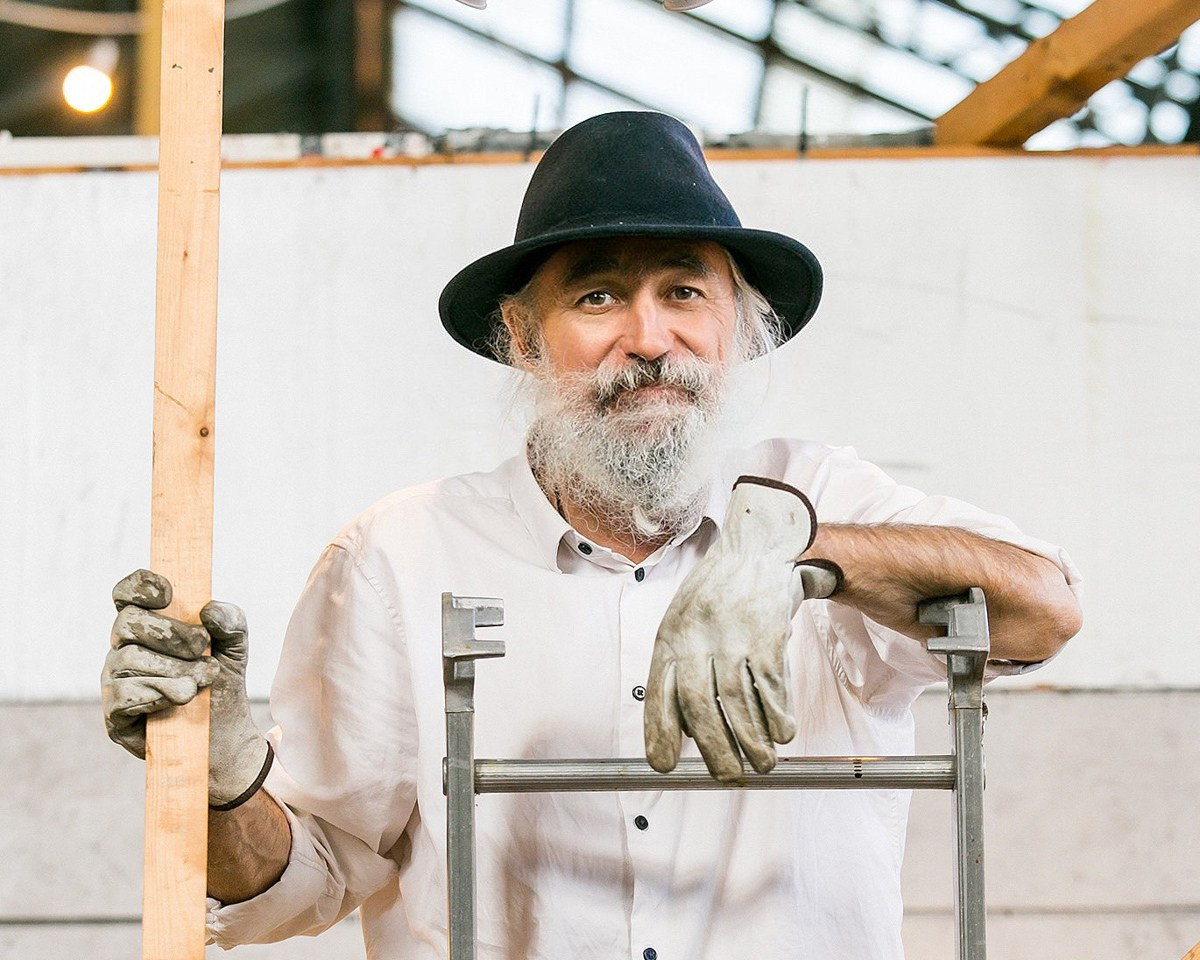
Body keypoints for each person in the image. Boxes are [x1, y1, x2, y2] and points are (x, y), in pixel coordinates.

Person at [102, 111, 1082, 959]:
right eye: (599, 295)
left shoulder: (819, 493)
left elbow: (1045, 607)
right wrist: (226, 784)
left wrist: (801, 561)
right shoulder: (398, 557)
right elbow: (300, 884)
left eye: (685, 292)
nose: (648, 338)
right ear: (524, 339)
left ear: (740, 326)